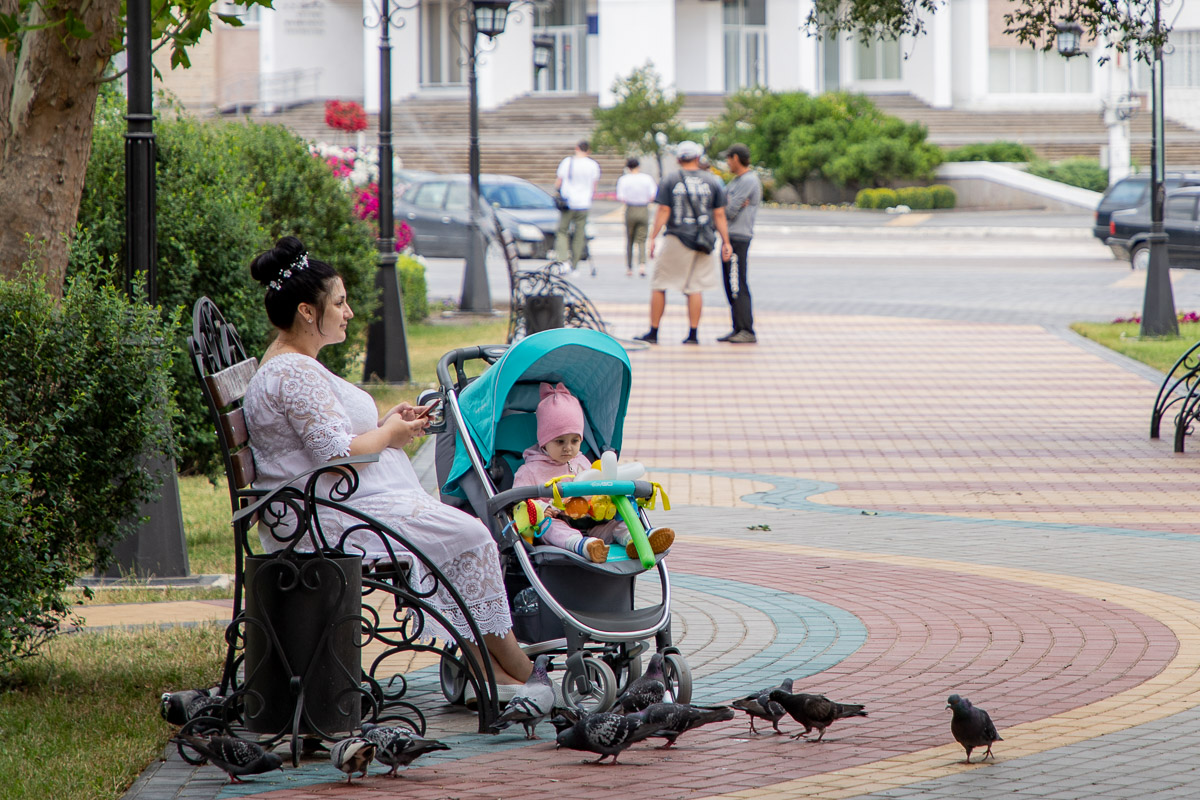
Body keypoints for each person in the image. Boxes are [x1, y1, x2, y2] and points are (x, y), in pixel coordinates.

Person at [242, 235, 533, 699]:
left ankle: (499, 671)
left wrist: (386, 425)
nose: (349, 312)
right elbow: (335, 455)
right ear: (306, 312)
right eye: (339, 302)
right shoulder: (292, 373)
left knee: (463, 537)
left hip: (328, 504)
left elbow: (329, 441)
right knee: (472, 537)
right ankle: (514, 672)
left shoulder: (294, 366)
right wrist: (391, 436)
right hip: (321, 520)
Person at [512, 383, 675, 563]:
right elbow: (519, 502)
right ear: (544, 441)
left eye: (575, 440)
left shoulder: (581, 461)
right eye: (560, 442)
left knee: (615, 523)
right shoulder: (530, 470)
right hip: (558, 523)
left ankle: (636, 538)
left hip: (591, 521)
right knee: (552, 527)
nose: (568, 448)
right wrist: (543, 508)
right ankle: (585, 546)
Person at [635, 140, 734, 345]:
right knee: (695, 287)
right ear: (698, 158)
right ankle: (693, 334)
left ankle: (654, 332)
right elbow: (720, 214)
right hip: (704, 240)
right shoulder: (713, 180)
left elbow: (664, 210)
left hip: (677, 237)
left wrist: (652, 237)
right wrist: (726, 242)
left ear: (679, 159)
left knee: (660, 284)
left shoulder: (670, 179)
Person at [717, 143, 761, 344]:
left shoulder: (748, 181)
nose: (727, 163)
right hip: (728, 237)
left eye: (728, 159)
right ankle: (737, 327)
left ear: (736, 158)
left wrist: (725, 205)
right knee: (729, 285)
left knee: (737, 284)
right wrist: (724, 205)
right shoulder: (736, 182)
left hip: (738, 238)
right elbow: (718, 204)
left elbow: (727, 211)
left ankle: (747, 330)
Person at [554, 140, 601, 273]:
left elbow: (559, 181)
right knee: (579, 234)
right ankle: (575, 264)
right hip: (584, 203)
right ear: (589, 150)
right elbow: (594, 186)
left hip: (568, 202)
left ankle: (563, 260)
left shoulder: (568, 162)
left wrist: (557, 192)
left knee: (562, 231)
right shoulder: (593, 165)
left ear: (576, 148)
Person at [615, 157, 657, 277]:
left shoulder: (624, 179)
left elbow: (621, 197)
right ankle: (642, 265)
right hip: (643, 208)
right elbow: (653, 195)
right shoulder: (647, 178)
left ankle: (629, 267)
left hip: (630, 208)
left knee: (629, 239)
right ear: (639, 166)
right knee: (642, 238)